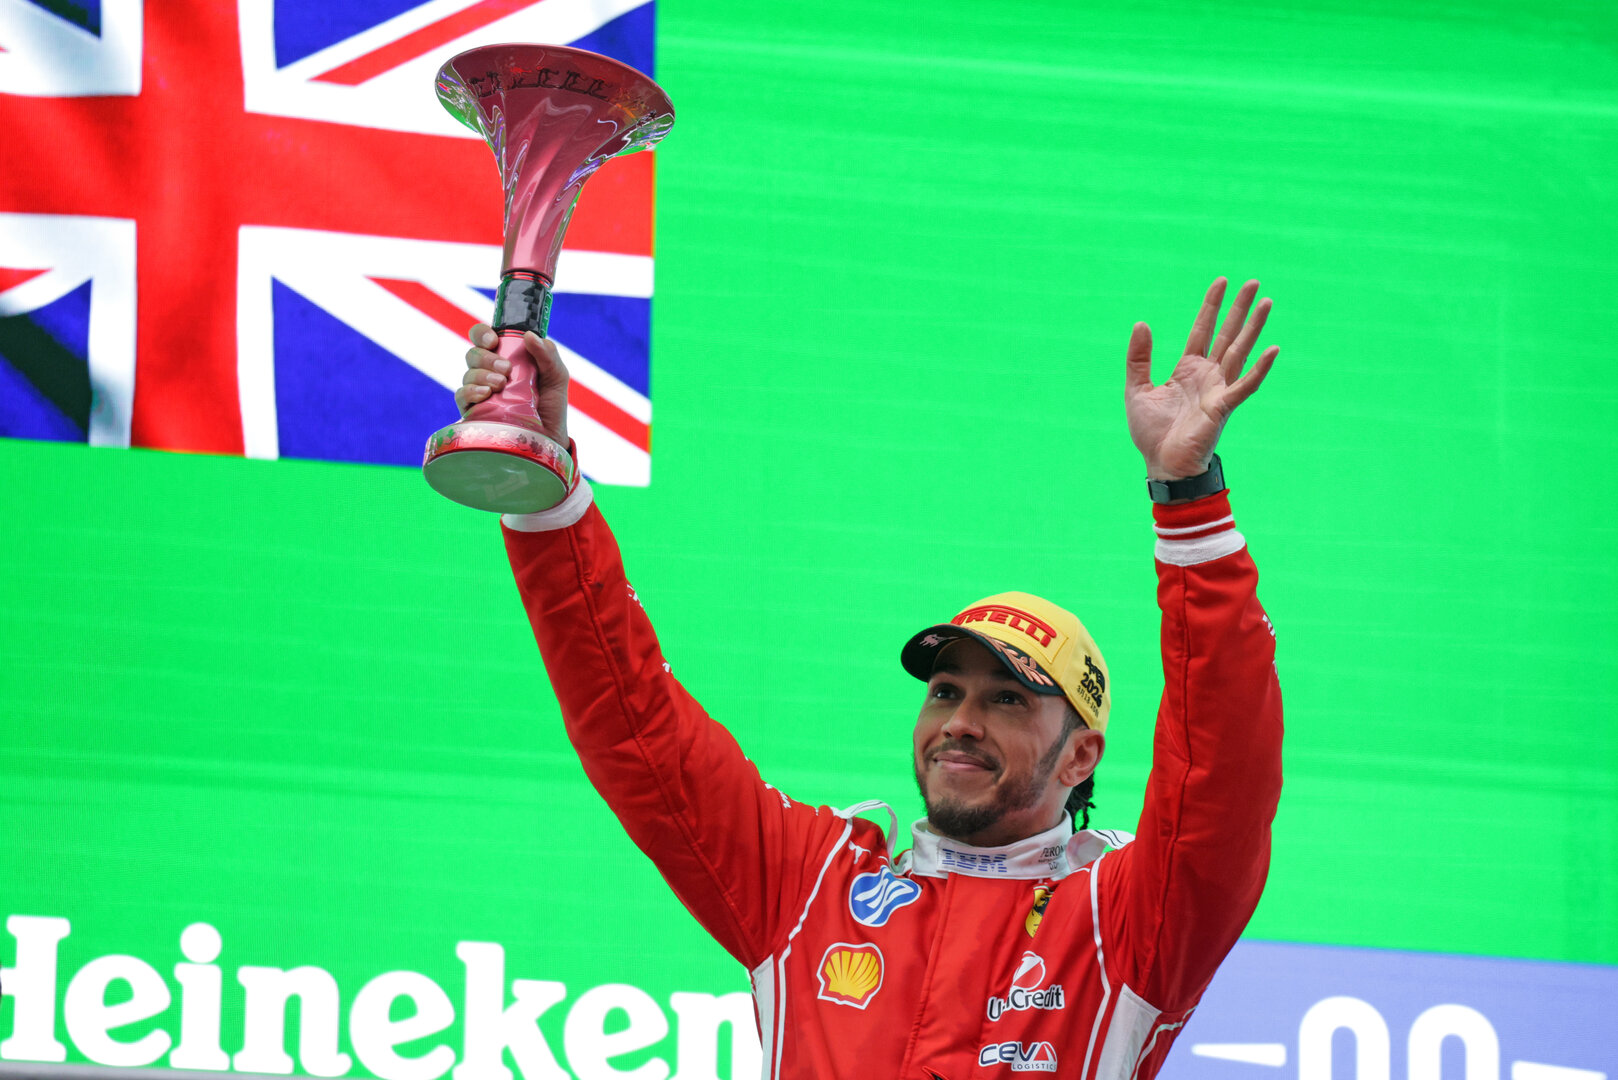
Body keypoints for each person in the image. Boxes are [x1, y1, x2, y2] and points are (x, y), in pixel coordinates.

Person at [457, 277, 1283, 1080]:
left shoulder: (1128, 923)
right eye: (945, 690)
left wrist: (1189, 501)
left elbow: (1219, 770)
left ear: (1079, 758)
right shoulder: (812, 883)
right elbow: (636, 726)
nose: (961, 720)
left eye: (1006, 699)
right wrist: (544, 490)